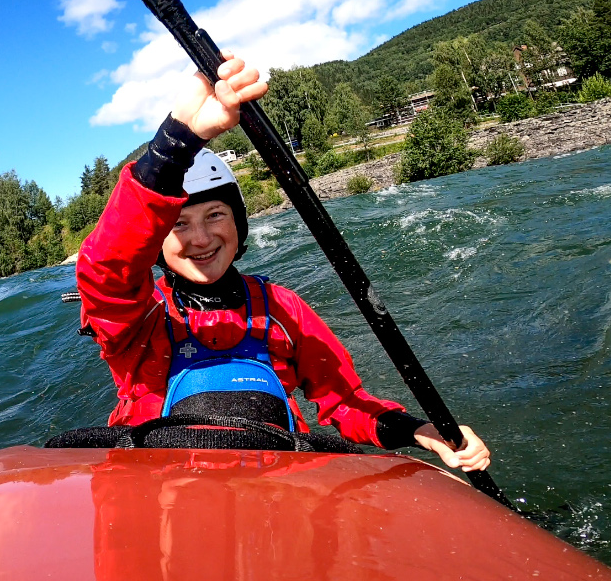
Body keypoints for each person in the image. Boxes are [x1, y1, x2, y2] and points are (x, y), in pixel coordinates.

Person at [76, 54, 490, 472]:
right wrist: (174, 145)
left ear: (238, 224)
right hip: (167, 495)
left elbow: (344, 402)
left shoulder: (282, 307)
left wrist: (420, 430)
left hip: (280, 489)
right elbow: (106, 269)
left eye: (215, 215)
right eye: (179, 224)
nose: (200, 239)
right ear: (157, 242)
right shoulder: (137, 315)